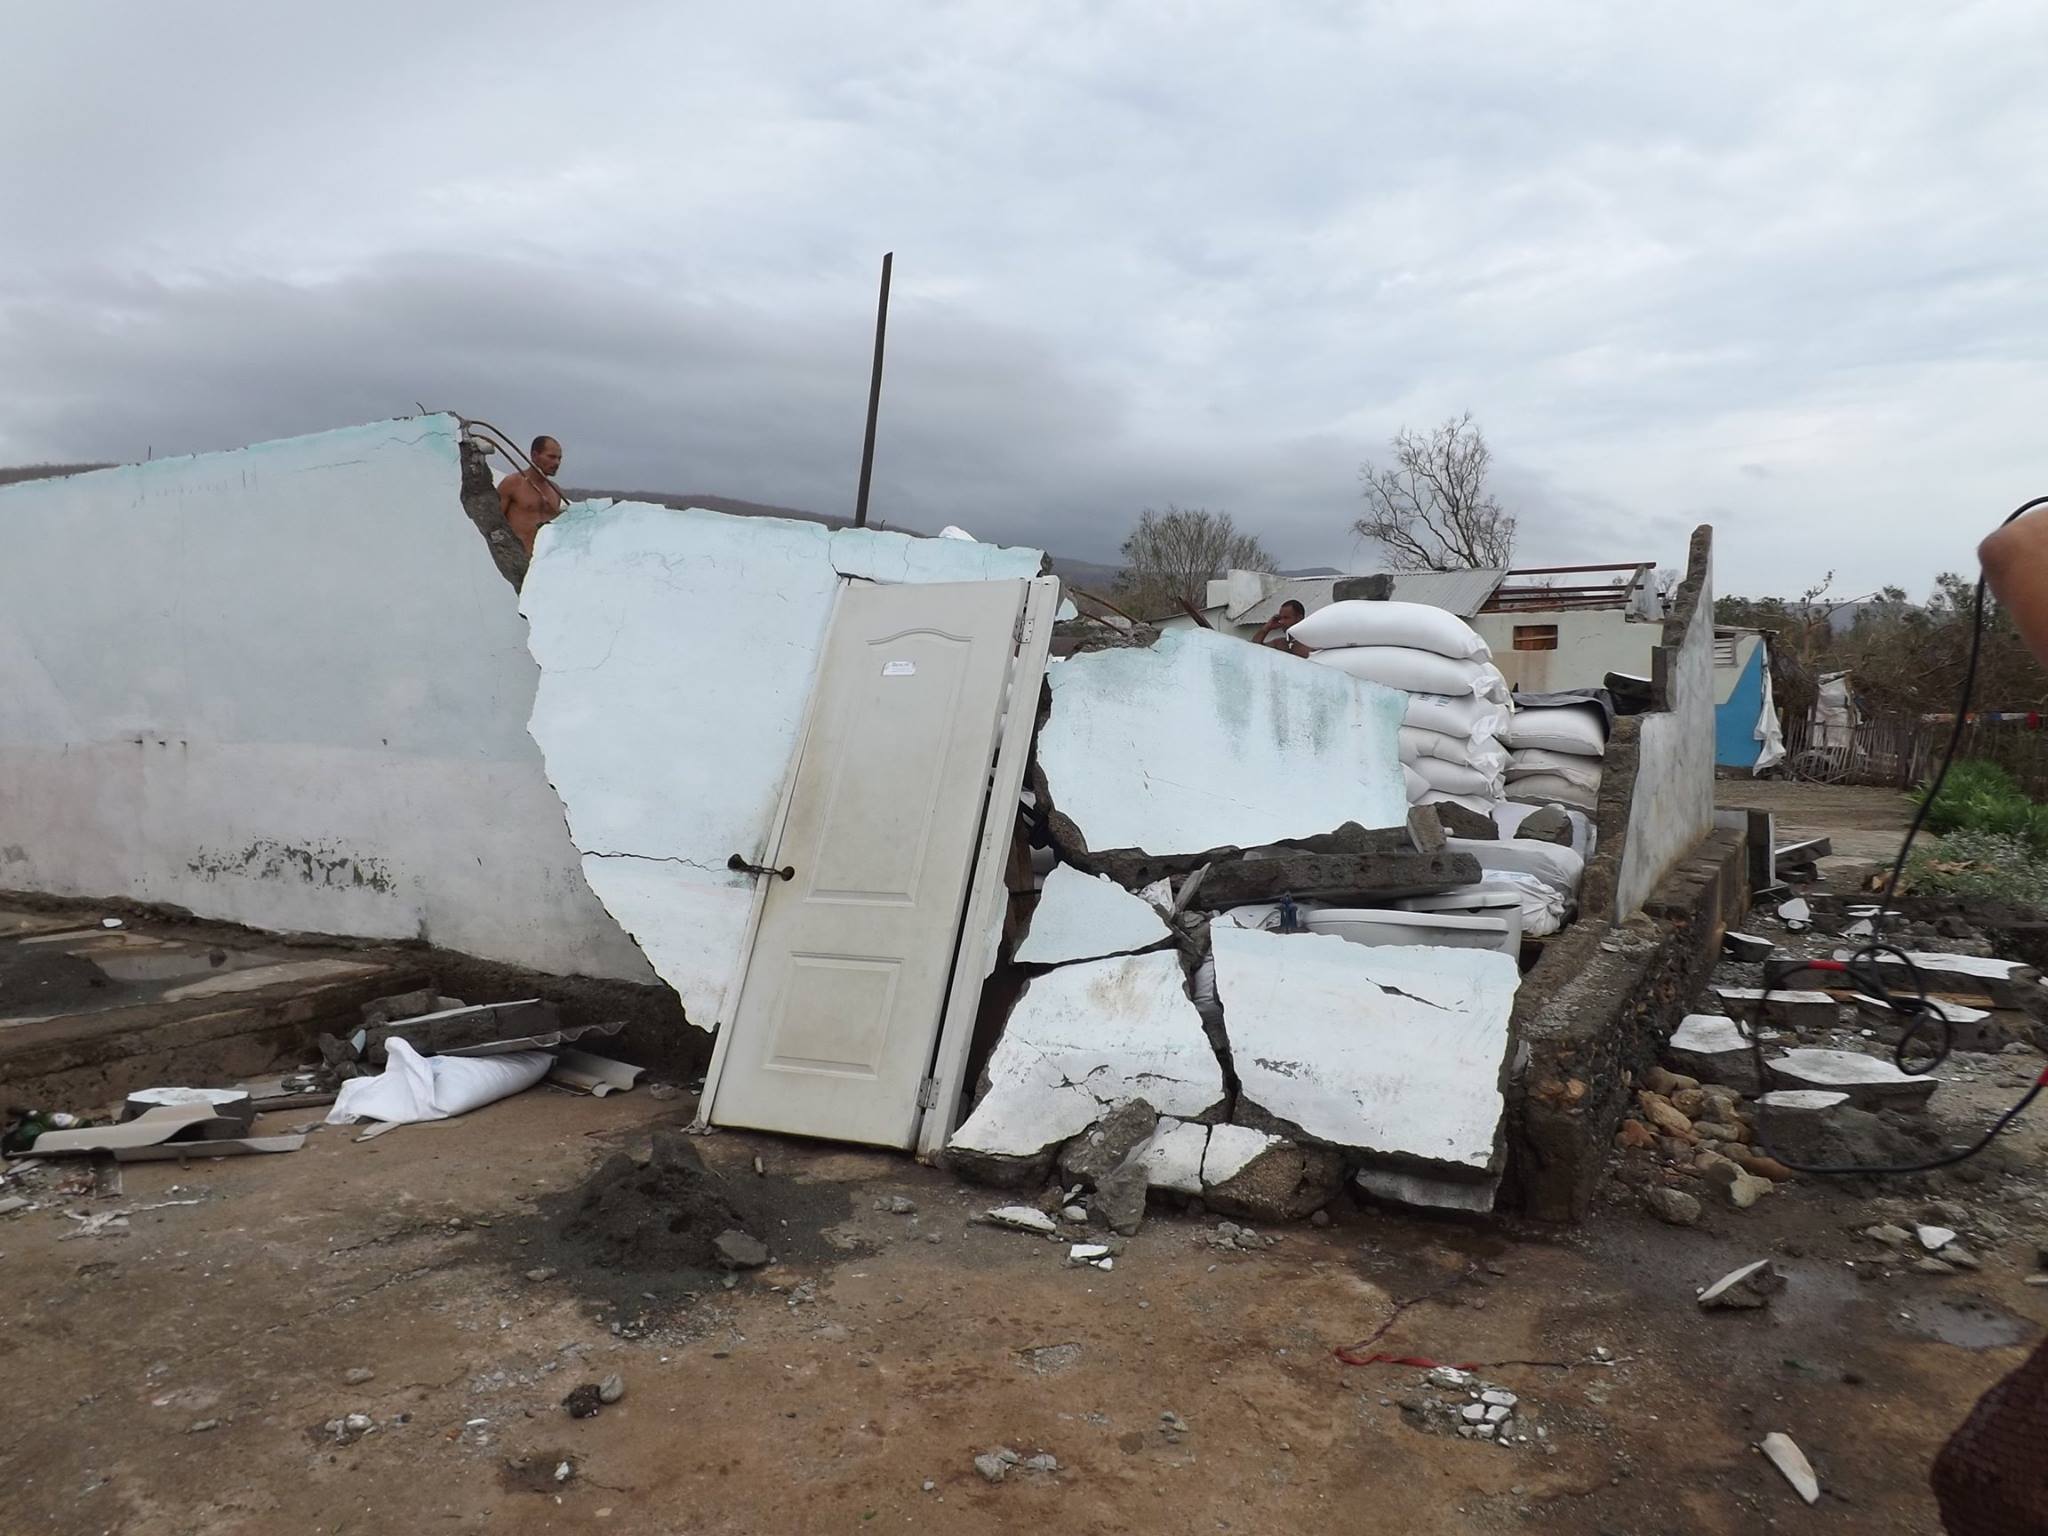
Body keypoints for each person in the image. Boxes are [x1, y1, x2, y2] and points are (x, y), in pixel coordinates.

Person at [499, 435, 565, 556]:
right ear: (535, 455)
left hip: (545, 560)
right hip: (517, 557)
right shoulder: (513, 483)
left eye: (559, 458)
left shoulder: (555, 490)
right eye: (551, 457)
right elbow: (494, 523)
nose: (557, 462)